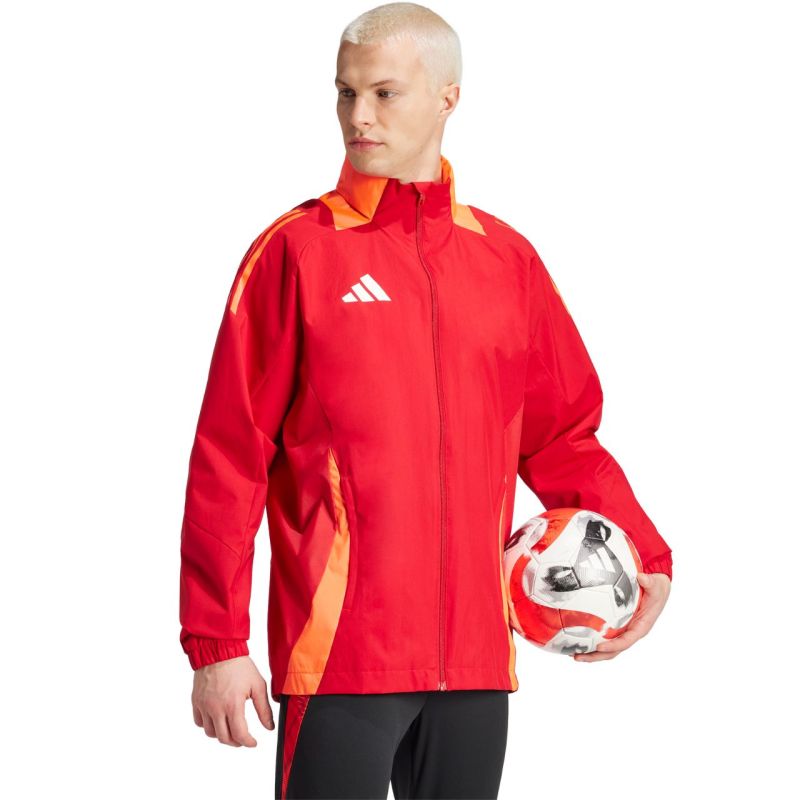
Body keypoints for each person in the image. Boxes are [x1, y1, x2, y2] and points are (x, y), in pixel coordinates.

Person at [178, 3, 673, 798]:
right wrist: (217, 643)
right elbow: (230, 457)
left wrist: (645, 557)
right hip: (340, 657)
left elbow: (562, 438)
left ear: (448, 97)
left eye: (384, 93)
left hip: (477, 660)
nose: (358, 116)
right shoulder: (296, 253)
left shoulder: (506, 261)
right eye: (345, 92)